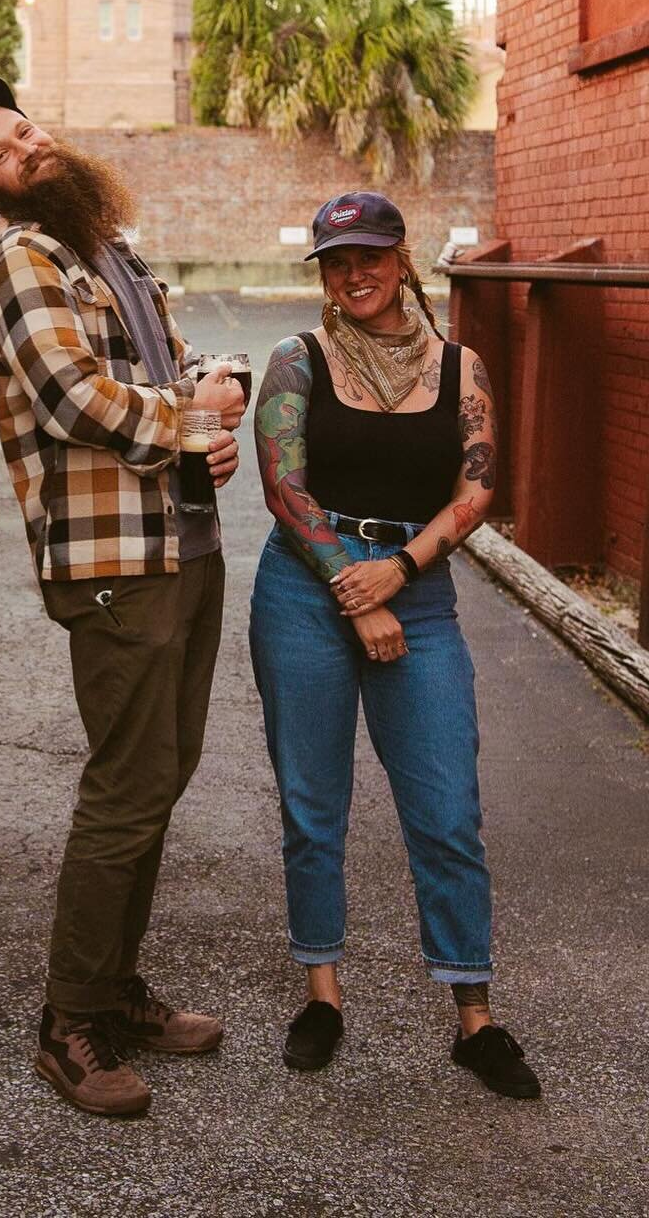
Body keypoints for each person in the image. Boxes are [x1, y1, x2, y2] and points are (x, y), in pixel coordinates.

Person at [0, 77, 244, 1120]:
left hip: (183, 545)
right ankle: (67, 1026)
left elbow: (169, 367)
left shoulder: (108, 250)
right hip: (116, 563)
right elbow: (77, 400)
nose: (30, 150)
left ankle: (113, 991)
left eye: (26, 132)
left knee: (160, 780)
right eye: (4, 156)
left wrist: (224, 381)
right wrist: (195, 424)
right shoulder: (21, 259)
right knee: (126, 789)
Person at [249, 191, 541, 1100]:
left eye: (370, 255)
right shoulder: (297, 361)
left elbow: (476, 487)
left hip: (416, 592)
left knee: (448, 807)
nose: (355, 274)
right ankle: (322, 996)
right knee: (313, 805)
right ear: (325, 274)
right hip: (306, 585)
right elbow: (283, 488)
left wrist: (398, 576)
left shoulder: (463, 368)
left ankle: (474, 1018)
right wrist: (353, 585)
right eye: (337, 262)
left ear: (400, 255)